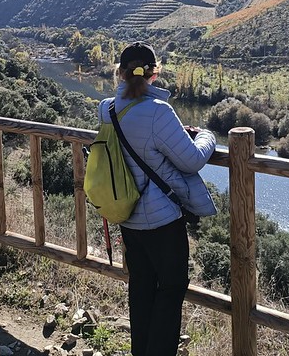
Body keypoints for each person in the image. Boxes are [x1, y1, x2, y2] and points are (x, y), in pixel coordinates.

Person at [98, 42, 217, 356]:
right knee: (173, 287)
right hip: (163, 220)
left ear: (120, 73)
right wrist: (206, 135)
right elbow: (191, 160)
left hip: (126, 215)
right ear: (154, 73)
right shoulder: (159, 112)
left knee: (141, 287)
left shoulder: (108, 109)